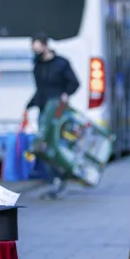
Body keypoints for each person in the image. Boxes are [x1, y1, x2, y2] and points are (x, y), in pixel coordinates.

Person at [24, 32, 79, 198]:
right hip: (43, 110)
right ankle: (55, 177)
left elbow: (74, 83)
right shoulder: (37, 65)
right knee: (44, 145)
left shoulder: (61, 63)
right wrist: (29, 105)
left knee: (56, 144)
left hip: (58, 111)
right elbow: (39, 89)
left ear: (46, 46)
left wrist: (65, 94)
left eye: (38, 48)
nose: (36, 52)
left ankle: (60, 176)